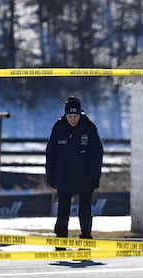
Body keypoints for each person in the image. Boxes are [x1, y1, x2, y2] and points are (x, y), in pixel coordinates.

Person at [45, 96, 104, 243]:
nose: (73, 119)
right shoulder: (58, 128)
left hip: (85, 178)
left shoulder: (89, 128)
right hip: (64, 177)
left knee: (85, 211)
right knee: (63, 211)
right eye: (70, 116)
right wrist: (51, 175)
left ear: (80, 114)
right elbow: (51, 154)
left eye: (75, 116)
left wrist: (94, 178)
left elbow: (96, 155)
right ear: (65, 115)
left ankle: (86, 241)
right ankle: (60, 242)